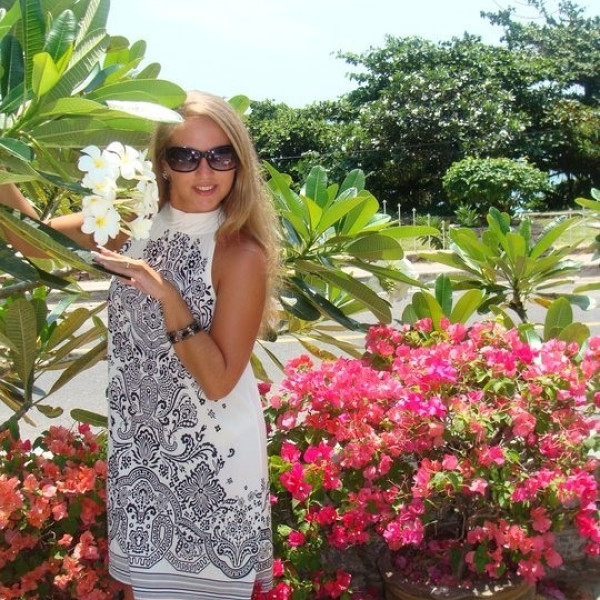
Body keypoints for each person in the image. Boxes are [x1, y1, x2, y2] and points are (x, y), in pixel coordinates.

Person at [0, 90, 278, 600]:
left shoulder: (239, 252)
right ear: (162, 164)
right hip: (140, 459)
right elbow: (33, 240)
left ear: (239, 163)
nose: (205, 172)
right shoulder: (131, 220)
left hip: (212, 467)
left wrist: (167, 294)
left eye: (221, 155)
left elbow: (219, 382)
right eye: (185, 156)